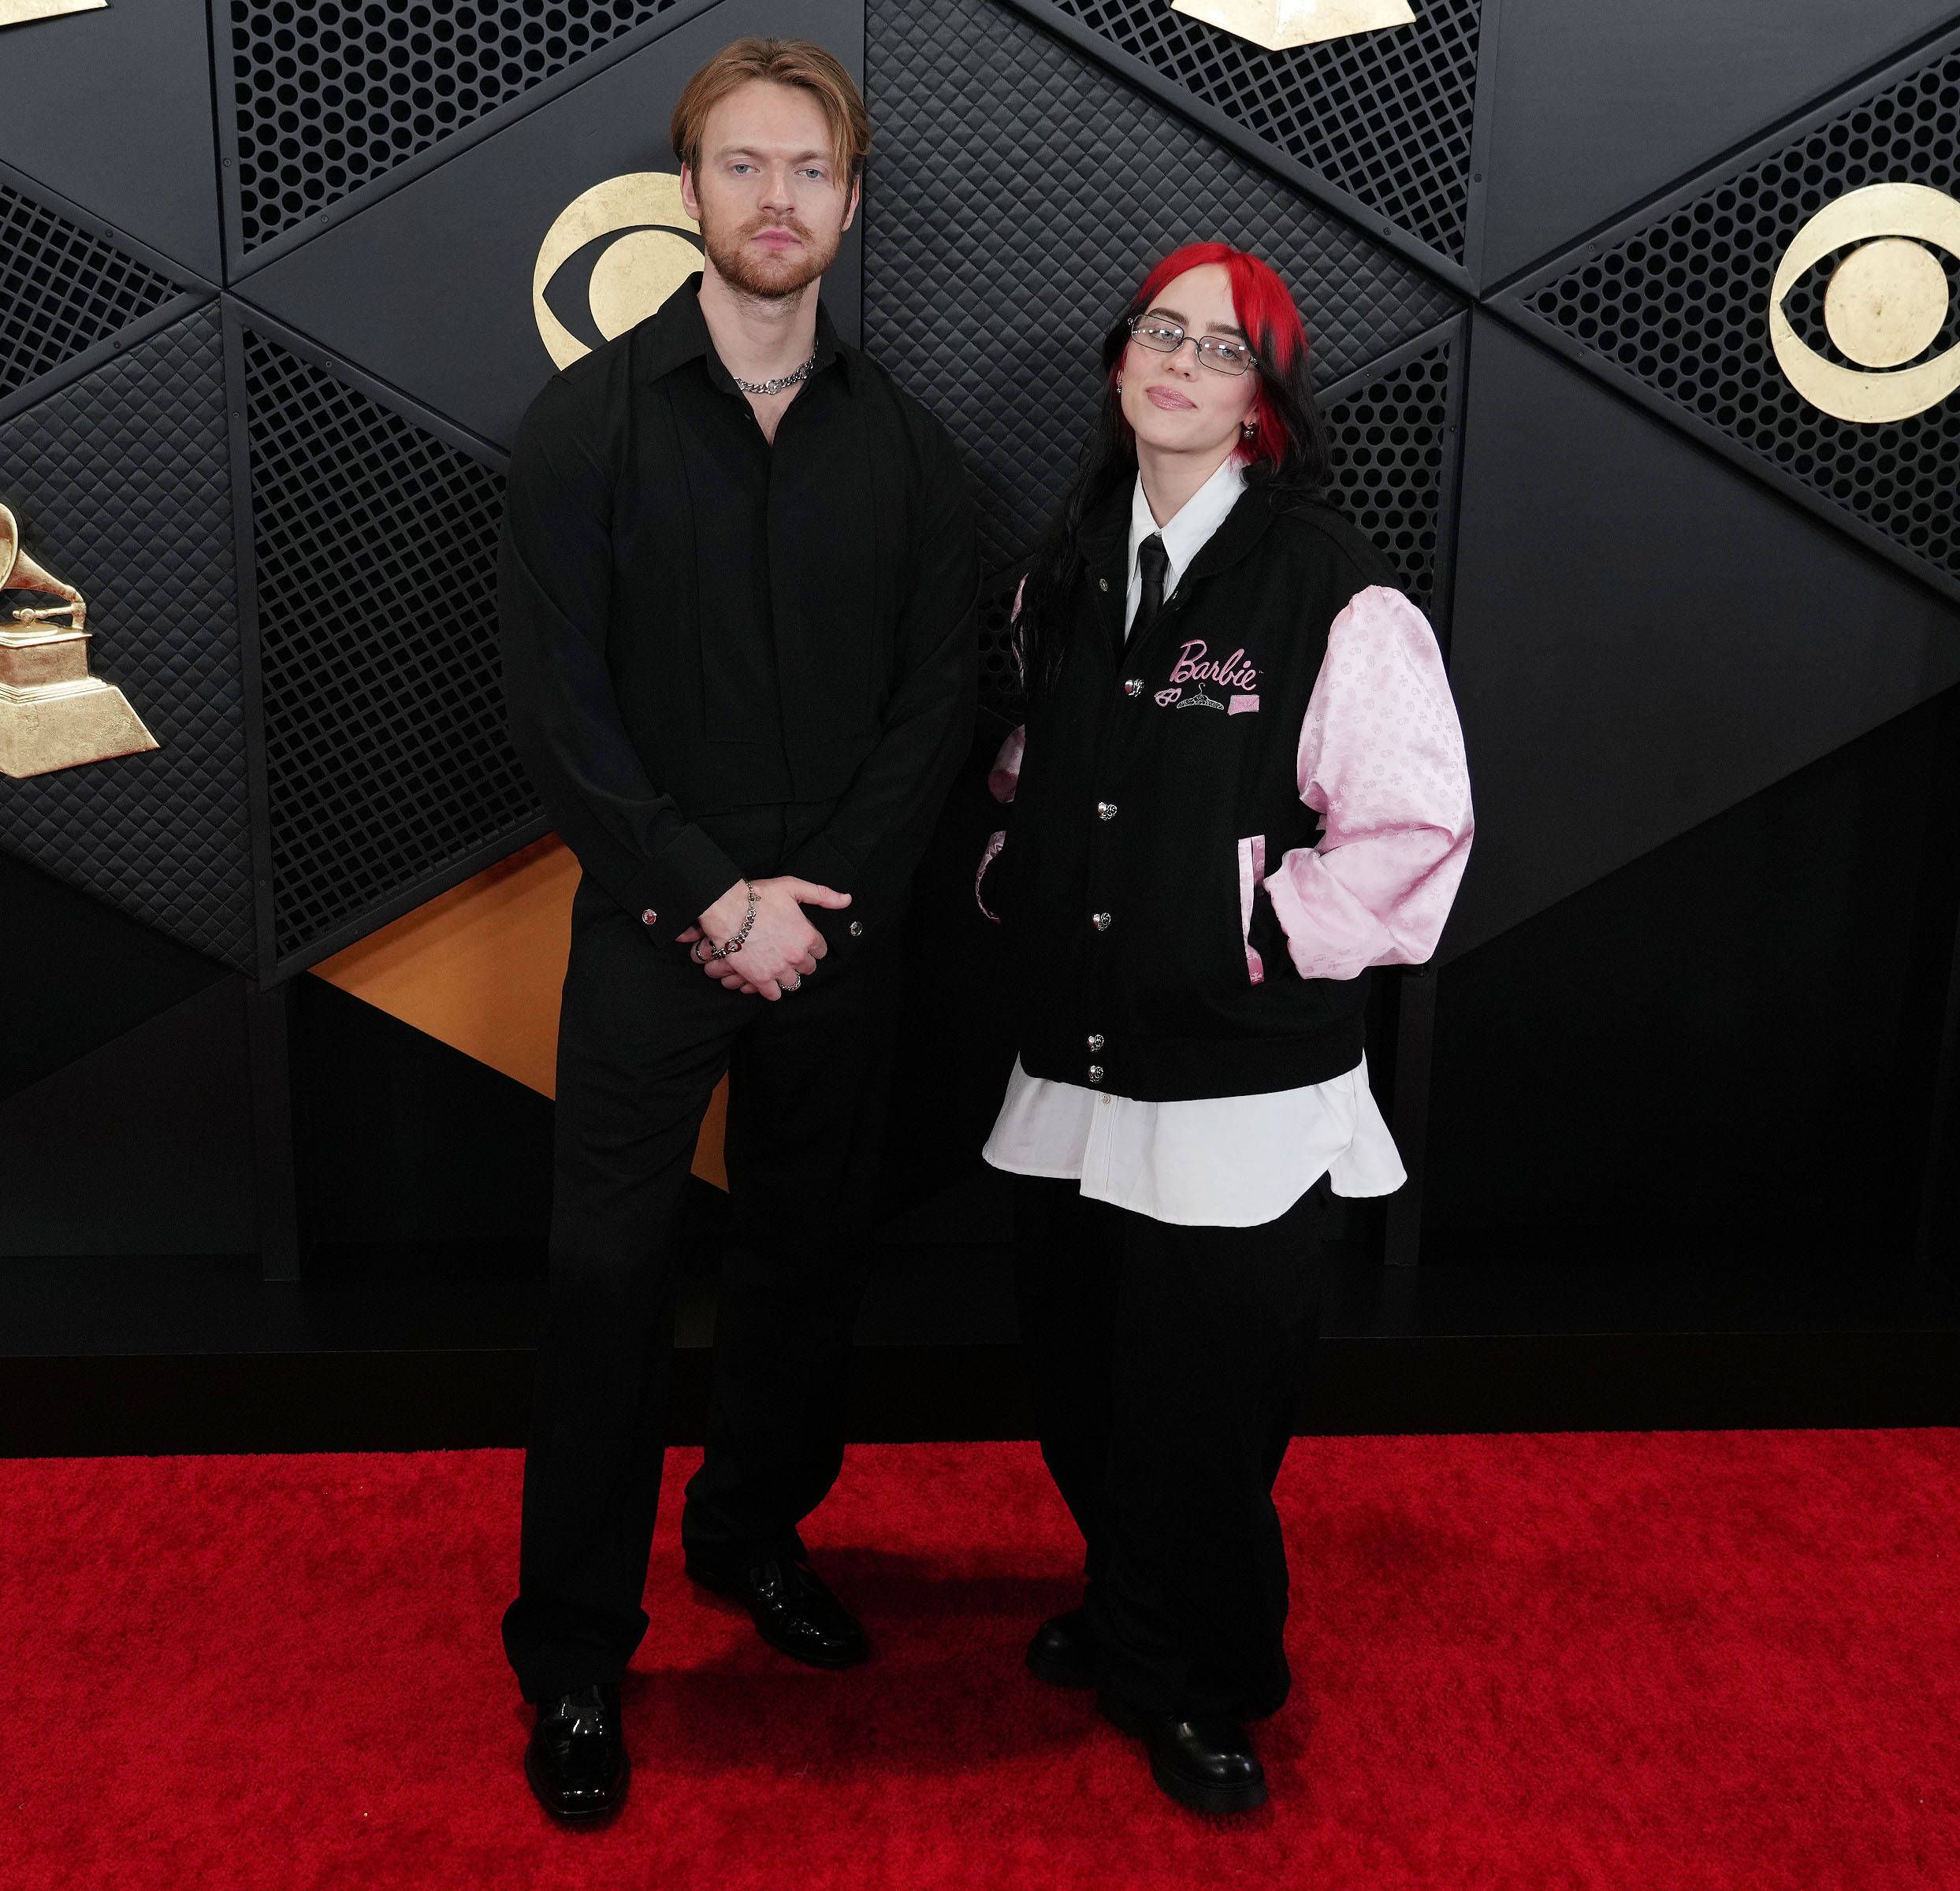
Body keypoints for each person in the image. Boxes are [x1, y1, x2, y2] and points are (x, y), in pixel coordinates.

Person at [493, 37, 978, 1825]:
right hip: (652, 925)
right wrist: (704, 897)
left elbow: (939, 702)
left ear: (849, 206)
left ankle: (754, 1538)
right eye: (743, 167)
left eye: (811, 172)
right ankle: (573, 1658)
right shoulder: (585, 431)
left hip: (840, 934)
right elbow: (558, 711)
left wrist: (815, 908)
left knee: (806, 1258)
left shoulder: (916, 455)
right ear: (688, 191)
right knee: (606, 1291)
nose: (778, 202)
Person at [976, 242, 1472, 1814]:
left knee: (1203, 1406)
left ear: (1262, 401)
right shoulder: (1059, 572)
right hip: (1072, 1062)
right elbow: (1020, 773)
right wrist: (1022, 874)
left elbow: (1409, 828)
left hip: (1240, 1082)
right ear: (1123, 363)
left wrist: (1249, 937)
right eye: (1158, 331)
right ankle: (1131, 1604)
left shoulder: (1332, 586)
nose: (1180, 360)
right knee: (1078, 1375)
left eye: (1223, 345)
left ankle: (1201, 1671)